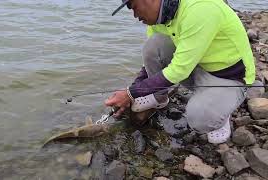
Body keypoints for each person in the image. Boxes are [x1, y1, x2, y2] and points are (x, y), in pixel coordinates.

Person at [104, 0, 256, 144]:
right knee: (153, 45)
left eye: (133, 7)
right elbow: (151, 62)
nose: (134, 15)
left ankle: (220, 115)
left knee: (200, 119)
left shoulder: (199, 8)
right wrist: (133, 92)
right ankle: (159, 97)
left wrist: (130, 93)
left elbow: (179, 71)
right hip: (196, 65)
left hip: (229, 77)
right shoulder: (160, 17)